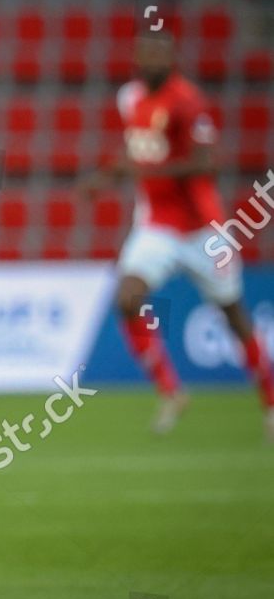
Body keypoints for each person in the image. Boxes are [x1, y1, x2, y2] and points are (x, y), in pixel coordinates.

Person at [85, 30, 274, 438]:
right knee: (127, 297)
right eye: (145, 55)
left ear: (171, 61)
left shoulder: (187, 102)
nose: (151, 62)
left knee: (233, 314)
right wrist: (104, 177)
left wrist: (145, 171)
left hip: (201, 229)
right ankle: (172, 393)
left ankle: (271, 402)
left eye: (159, 55)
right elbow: (140, 148)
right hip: (156, 226)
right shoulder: (130, 99)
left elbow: (206, 164)